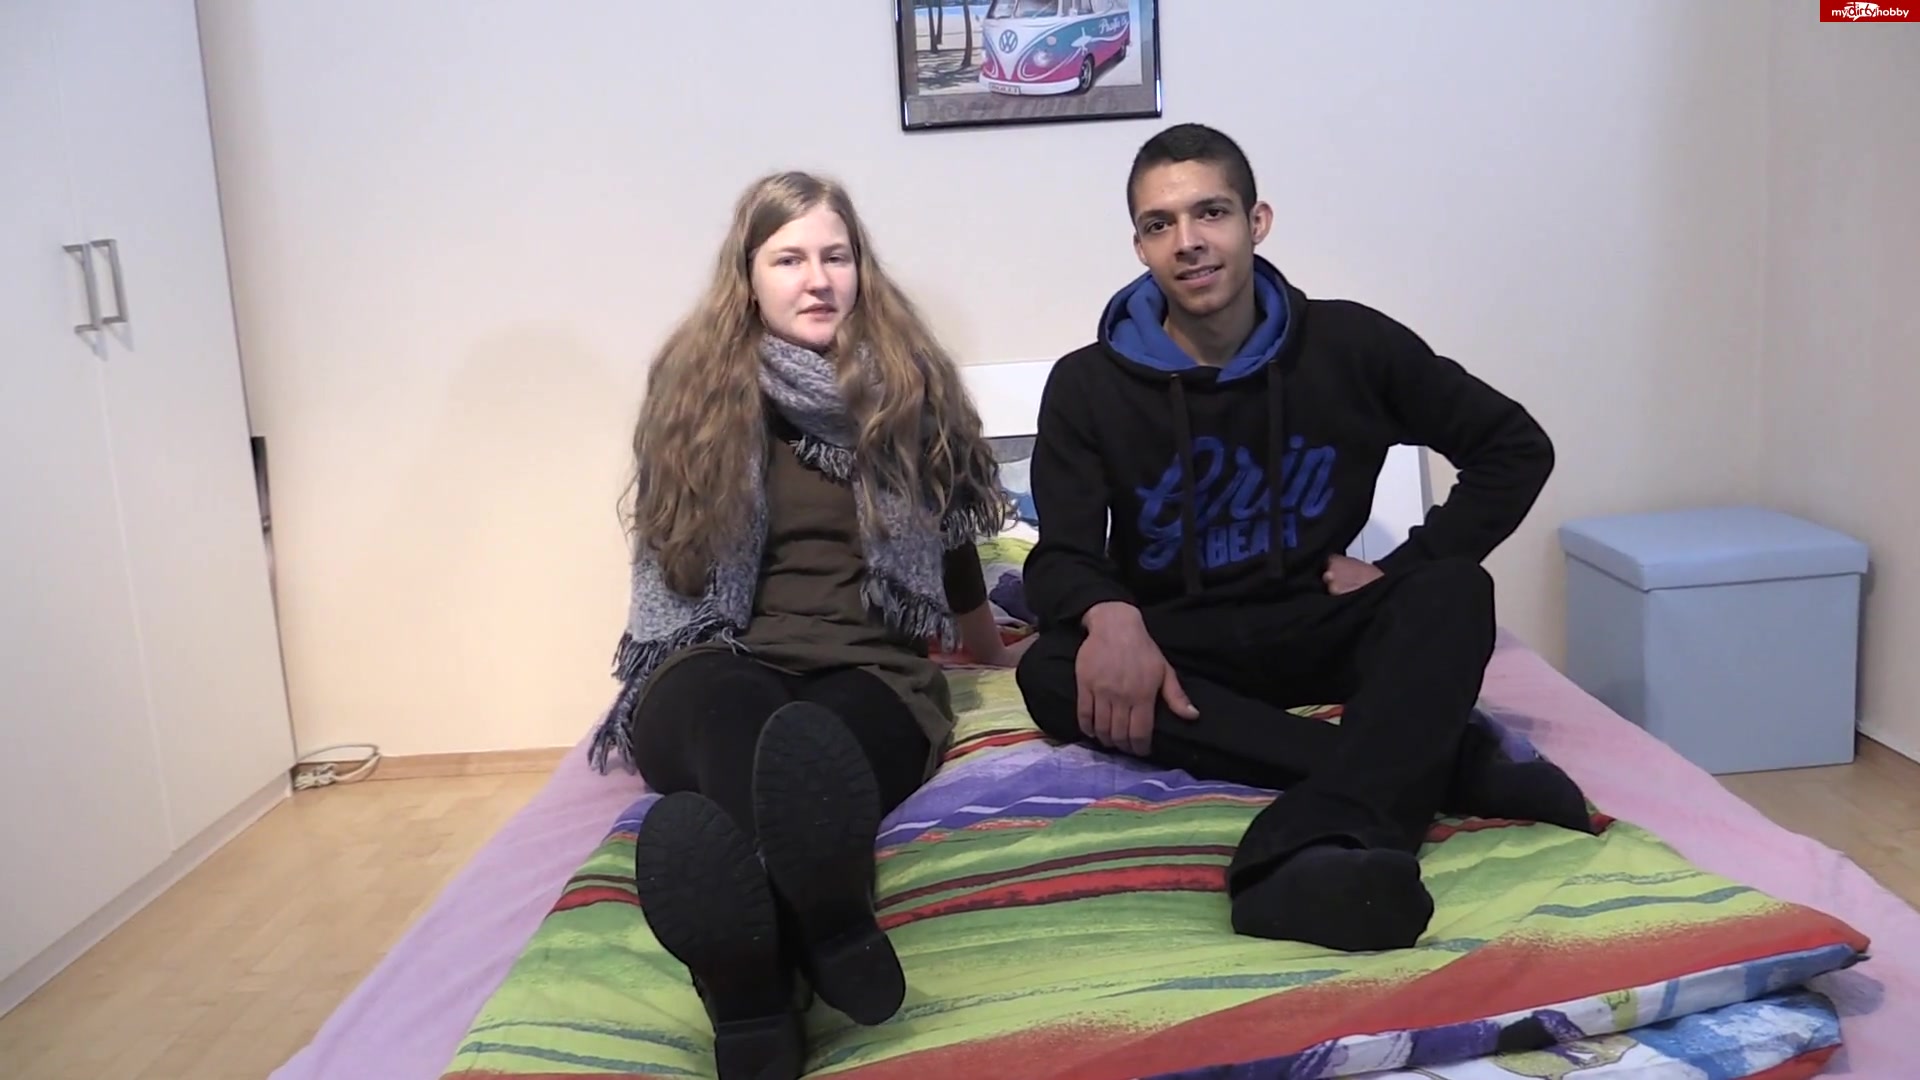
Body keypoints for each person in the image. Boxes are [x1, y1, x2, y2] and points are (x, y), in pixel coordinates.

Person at [1014, 123, 1597, 956]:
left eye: (1211, 212)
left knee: (1454, 589)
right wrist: (1109, 614)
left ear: (1257, 222)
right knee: (1049, 667)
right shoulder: (1087, 384)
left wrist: (1403, 565)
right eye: (1159, 224)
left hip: (1317, 623)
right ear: (1139, 246)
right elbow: (1063, 555)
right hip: (1184, 650)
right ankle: (1445, 770)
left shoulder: (1352, 345)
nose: (1188, 241)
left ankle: (1286, 859)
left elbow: (1513, 448)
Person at [586, 170, 1020, 1079]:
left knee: (810, 752)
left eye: (835, 256)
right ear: (748, 276)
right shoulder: (693, 388)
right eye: (788, 259)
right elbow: (672, 555)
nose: (817, 279)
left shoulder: (909, 387)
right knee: (740, 718)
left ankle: (747, 995)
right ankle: (832, 924)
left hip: (867, 670)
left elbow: (950, 548)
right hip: (714, 656)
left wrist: (990, 652)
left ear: (862, 267)